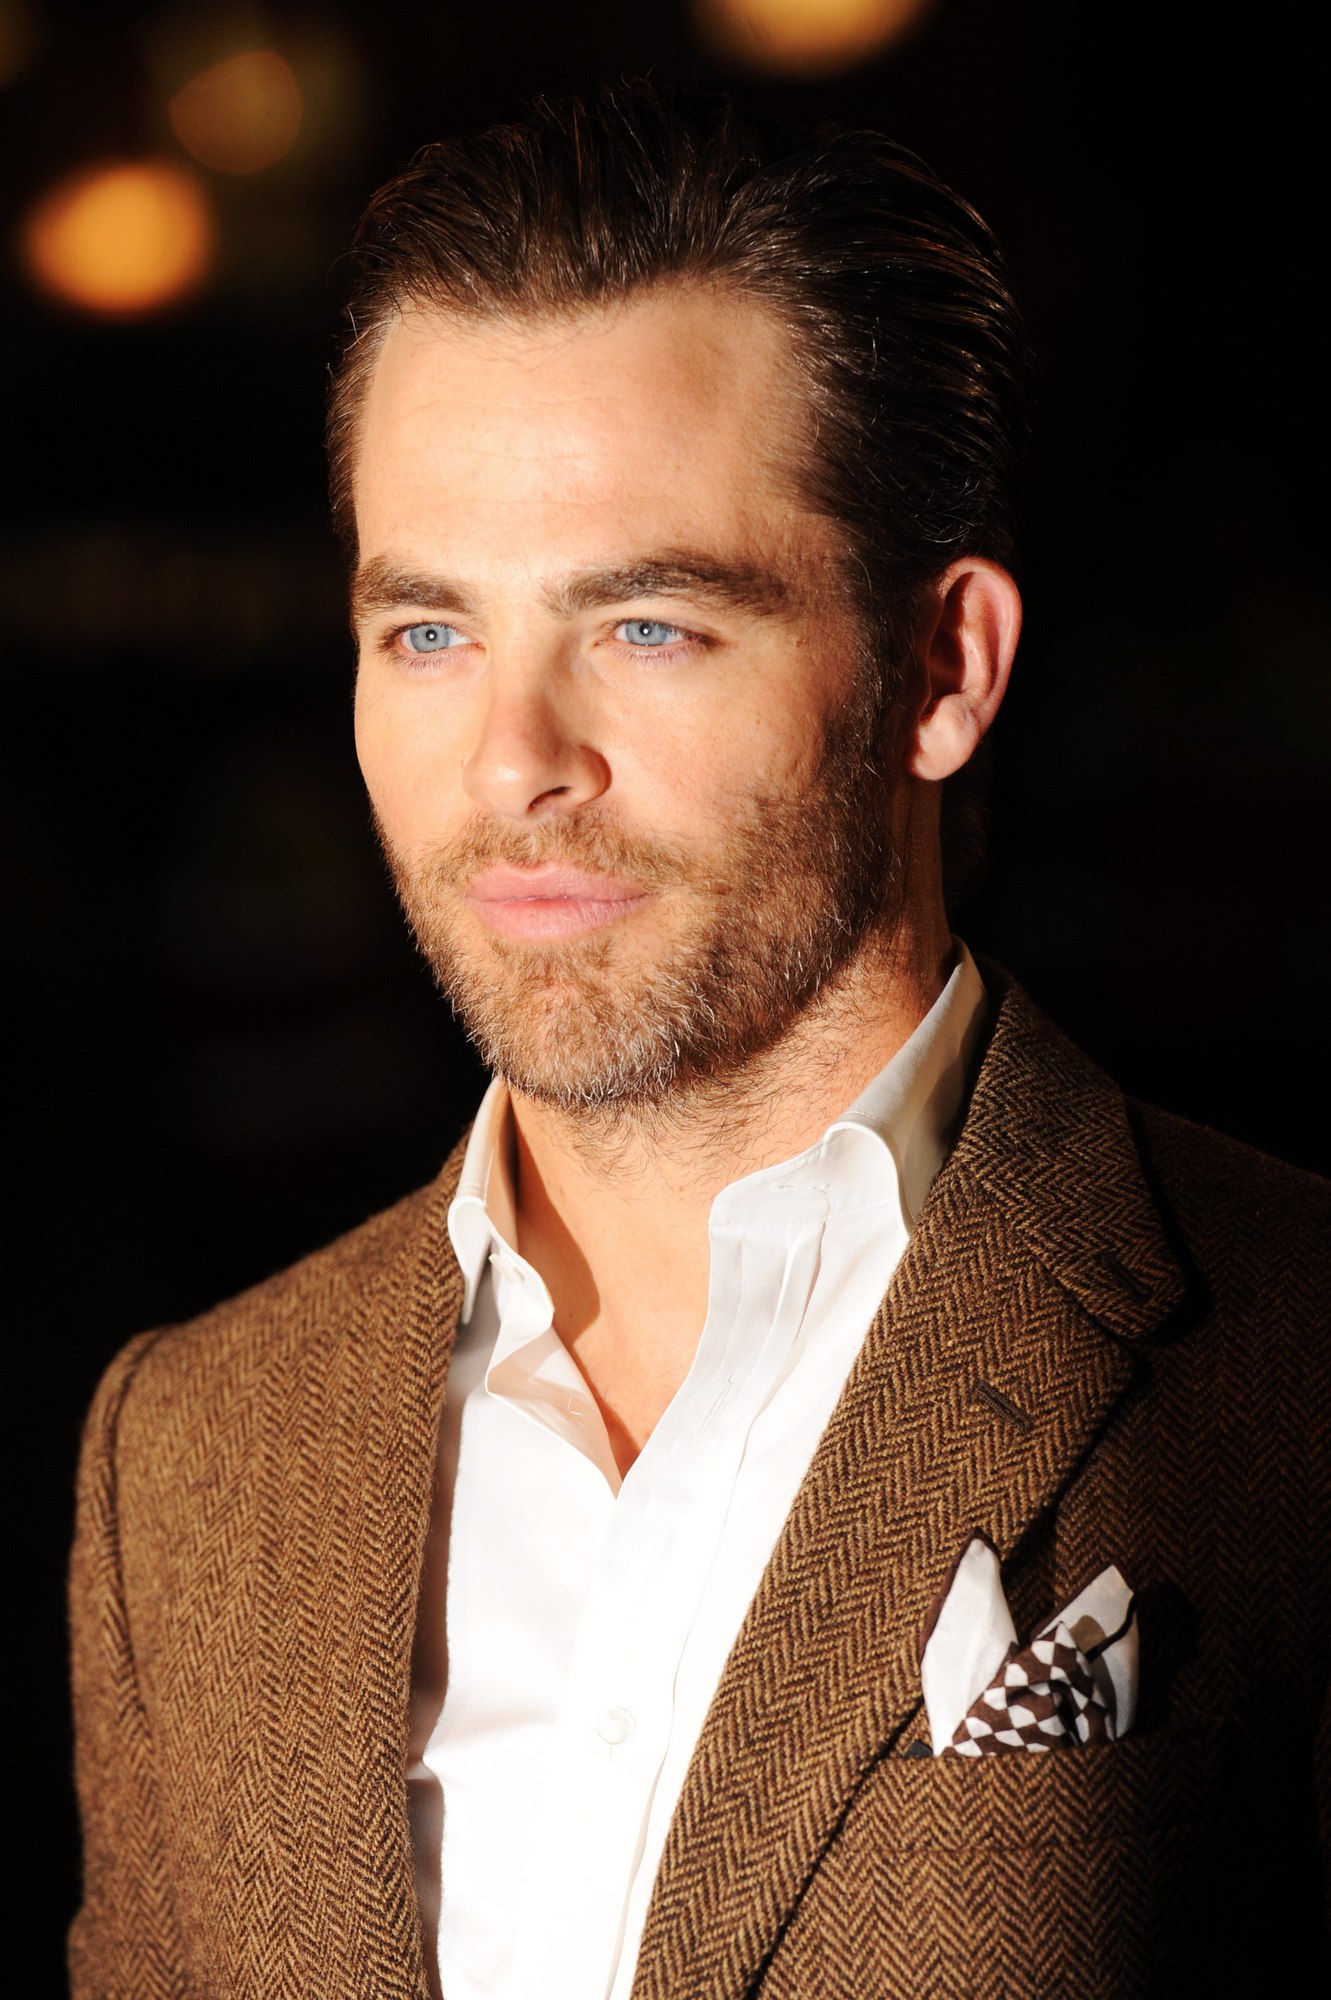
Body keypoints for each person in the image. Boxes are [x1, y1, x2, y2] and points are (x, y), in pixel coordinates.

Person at [68, 82, 1328, 2000]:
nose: (513, 762)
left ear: (942, 668)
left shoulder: (1293, 1375)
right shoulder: (187, 1453)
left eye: (647, 625)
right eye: (428, 633)